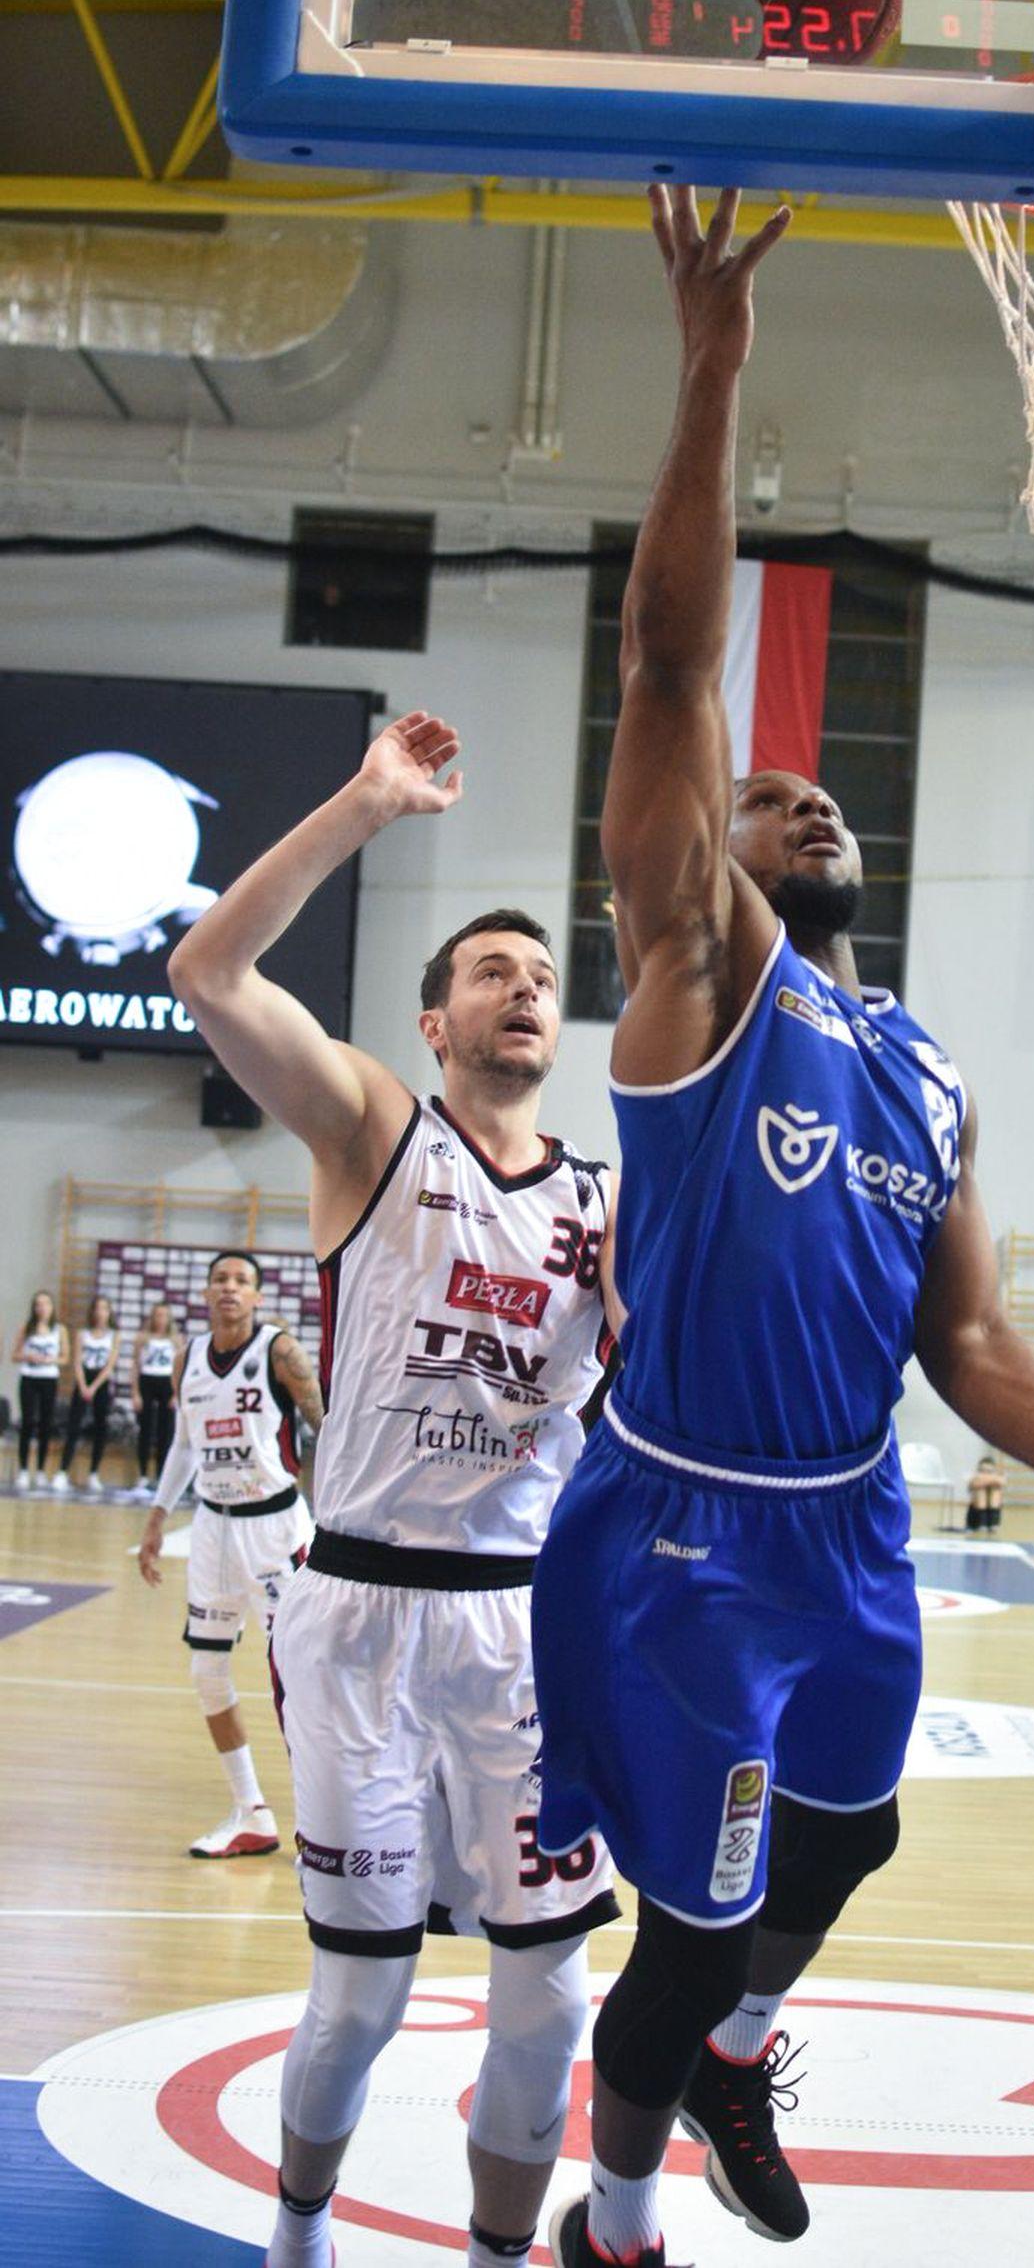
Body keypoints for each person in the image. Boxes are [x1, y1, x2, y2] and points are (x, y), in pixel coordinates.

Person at [532, 185, 1034, 2268]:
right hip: (685, 1526)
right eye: (768, 798)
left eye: (824, 798)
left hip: (846, 1521)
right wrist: (712, 371)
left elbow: (970, 1336)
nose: (805, 800)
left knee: (856, 1829)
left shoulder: (923, 1067)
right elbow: (669, 660)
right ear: (712, 847)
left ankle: (737, 2058)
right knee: (693, 1921)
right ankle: (612, 2222)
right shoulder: (697, 972)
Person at [166, 713, 620, 2268]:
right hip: (358, 1610)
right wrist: (365, 804)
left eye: (542, 975)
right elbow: (208, 972)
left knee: (549, 2001)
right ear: (436, 1022)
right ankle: (298, 2239)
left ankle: (496, 2253)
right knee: (358, 1997)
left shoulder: (608, 1205)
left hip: (522, 1631)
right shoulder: (373, 1129)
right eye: (492, 971)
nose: (525, 987)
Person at [138, 1252, 320, 1857]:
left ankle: (326, 1816)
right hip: (212, 1528)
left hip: (276, 1529)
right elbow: (183, 1444)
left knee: (301, 1676)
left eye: (242, 1281)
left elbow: (328, 1428)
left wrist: (341, 1515)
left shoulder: (279, 1352)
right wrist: (158, 1516)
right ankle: (251, 1812)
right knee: (206, 1670)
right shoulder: (187, 1358)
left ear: (258, 1297)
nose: (229, 1288)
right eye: (220, 1279)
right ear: (205, 1292)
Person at [58, 1294, 120, 1494]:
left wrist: (94, 1387)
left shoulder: (114, 1335)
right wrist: (83, 1385)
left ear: (109, 1312)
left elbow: (110, 1365)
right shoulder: (82, 1333)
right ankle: (62, 1471)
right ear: (92, 1312)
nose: (100, 1312)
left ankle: (93, 1473)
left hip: (101, 1382)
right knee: (73, 1426)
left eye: (104, 1308)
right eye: (97, 1308)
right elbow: (77, 1361)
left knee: (100, 1428)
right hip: (83, 1379)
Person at [12, 1288, 64, 1491]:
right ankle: (24, 1470)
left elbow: (66, 1357)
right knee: (27, 1422)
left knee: (46, 1423)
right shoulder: (27, 1328)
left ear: (52, 1307)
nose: (42, 1308)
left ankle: (41, 1470)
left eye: (46, 1304)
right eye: (39, 1304)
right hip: (29, 1378)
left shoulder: (59, 1330)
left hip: (48, 1378)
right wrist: (28, 1356)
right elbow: (14, 1355)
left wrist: (52, 1359)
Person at [133, 1300, 178, 1499]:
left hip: (166, 1383)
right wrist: (135, 1393)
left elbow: (179, 1368)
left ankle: (161, 1476)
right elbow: (135, 1365)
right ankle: (143, 1475)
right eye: (157, 1315)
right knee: (145, 1430)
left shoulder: (175, 1339)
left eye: (164, 1315)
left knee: (165, 1433)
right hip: (147, 1381)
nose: (160, 1319)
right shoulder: (143, 1338)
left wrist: (176, 1393)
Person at [965, 1451, 1005, 1535]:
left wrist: (986, 1480)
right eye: (982, 1471)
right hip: (975, 1516)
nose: (985, 1473)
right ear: (978, 1470)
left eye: (989, 1471)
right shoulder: (973, 1477)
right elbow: (973, 1484)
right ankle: (982, 1523)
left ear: (994, 1471)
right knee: (980, 1491)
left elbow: (1002, 1482)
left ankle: (993, 1523)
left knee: (995, 1491)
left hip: (991, 1511)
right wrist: (990, 1480)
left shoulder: (998, 1476)